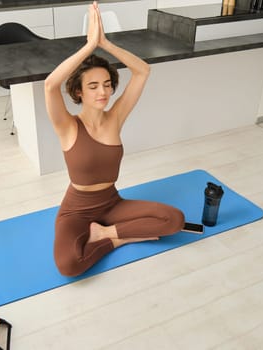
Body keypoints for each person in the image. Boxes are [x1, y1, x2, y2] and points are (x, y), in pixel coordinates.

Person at [44, 1, 185, 277]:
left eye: (107, 85)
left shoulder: (115, 118)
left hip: (112, 204)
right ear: (79, 92)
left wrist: (105, 43)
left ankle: (106, 233)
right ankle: (119, 239)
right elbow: (50, 85)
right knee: (67, 265)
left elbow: (143, 70)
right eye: (93, 86)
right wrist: (88, 46)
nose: (103, 92)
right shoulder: (67, 126)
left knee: (174, 219)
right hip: (76, 211)